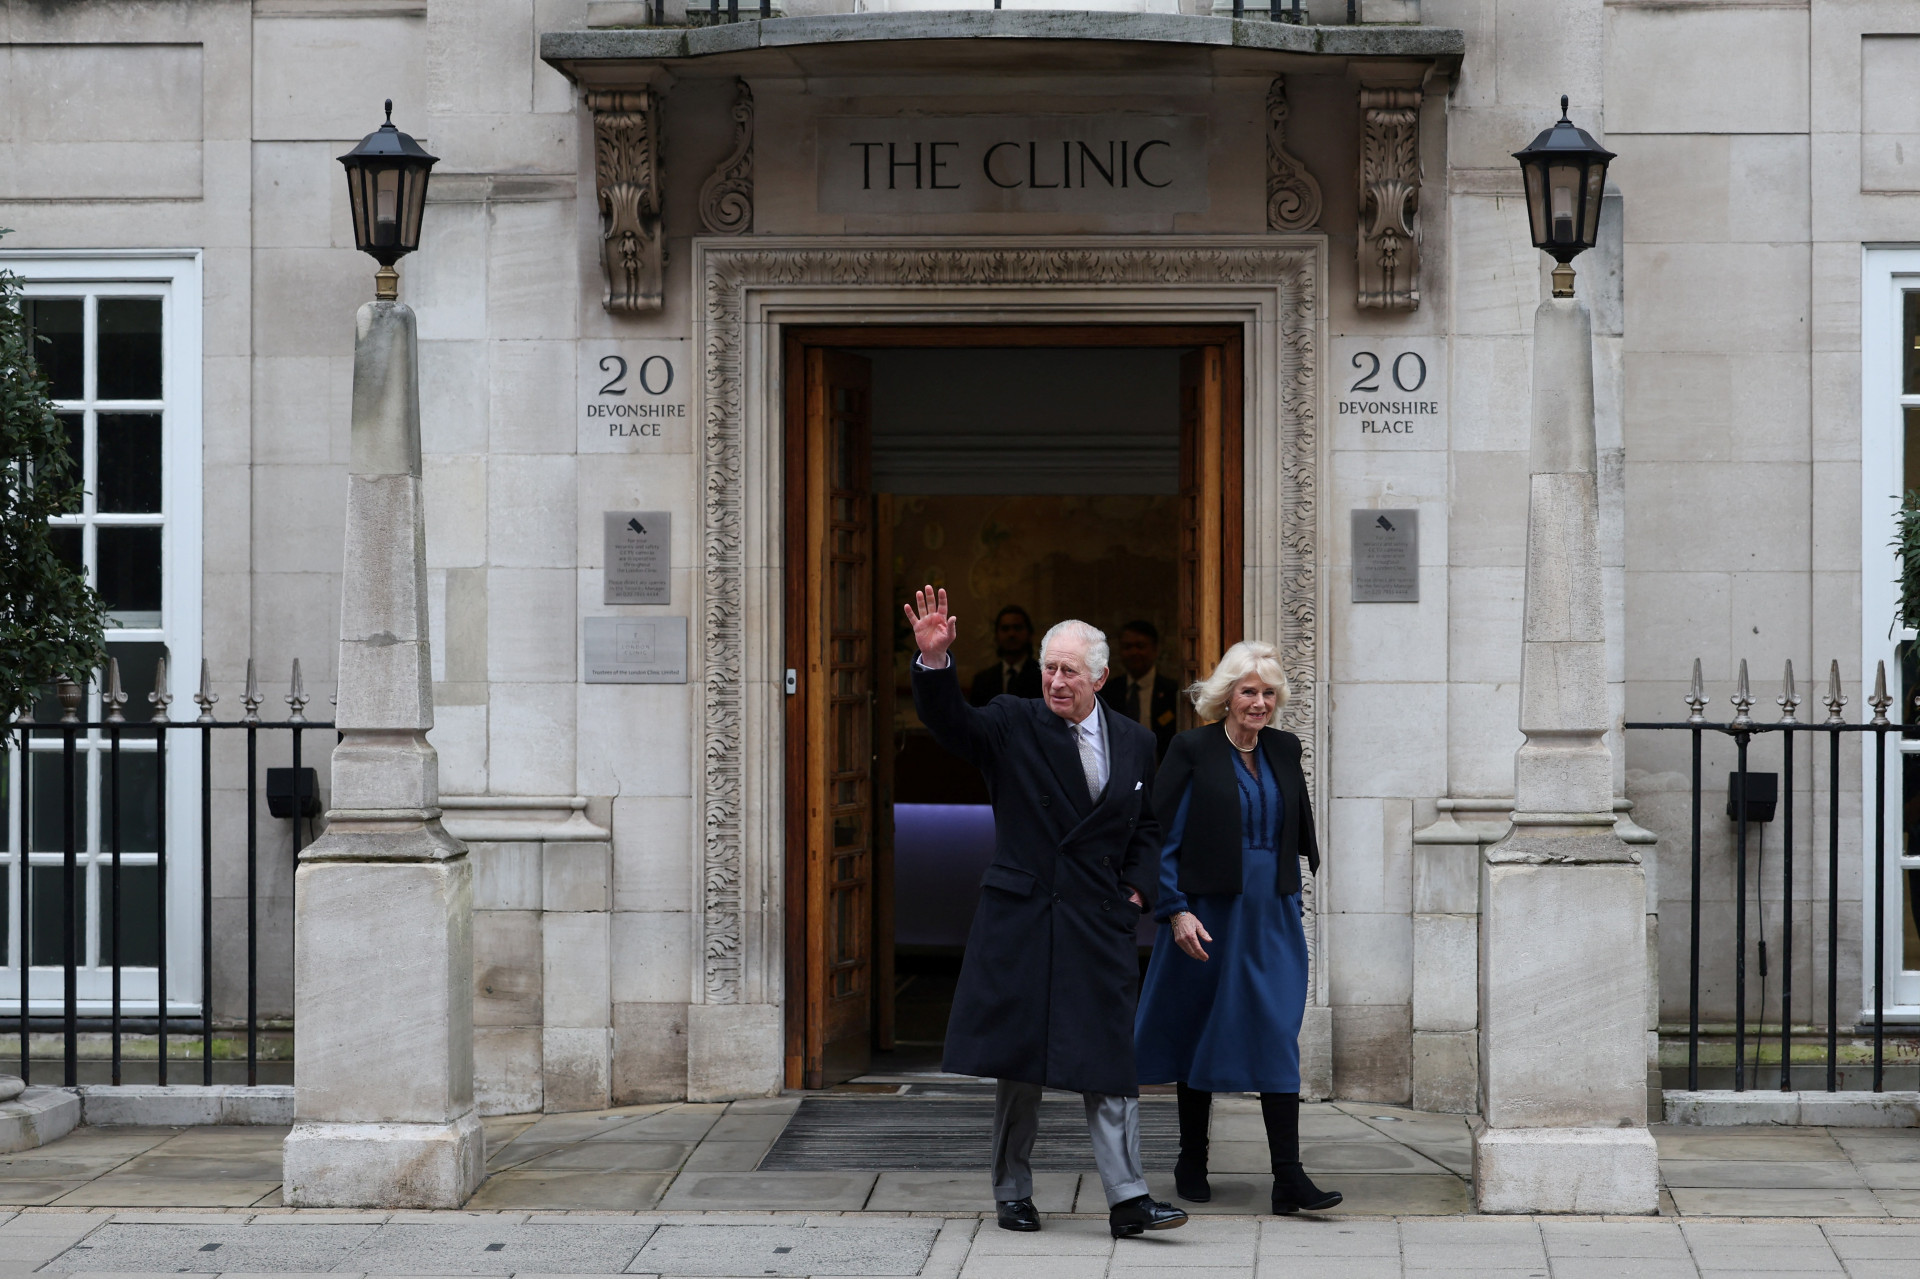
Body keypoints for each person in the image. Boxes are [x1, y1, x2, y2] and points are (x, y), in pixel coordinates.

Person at [904, 586, 1188, 1240]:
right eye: (1049, 668)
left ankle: (1129, 1198)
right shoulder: (1013, 721)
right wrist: (935, 664)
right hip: (1026, 915)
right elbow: (954, 725)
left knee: (1110, 1059)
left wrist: (1138, 892)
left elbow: (1148, 828)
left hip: (1098, 919)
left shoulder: (1137, 740)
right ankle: (1013, 1191)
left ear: (1101, 677)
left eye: (1069, 670)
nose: (1056, 681)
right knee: (1020, 1062)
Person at [1132, 640, 1340, 1215]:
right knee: (1198, 1027)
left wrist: (1292, 899)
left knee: (1276, 1031)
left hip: (1269, 912)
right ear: (1226, 696)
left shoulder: (1284, 748)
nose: (1259, 702)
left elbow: (1287, 833)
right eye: (1249, 691)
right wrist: (1174, 910)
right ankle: (1191, 1157)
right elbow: (1162, 837)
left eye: (1269, 692)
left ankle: (1288, 1176)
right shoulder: (1192, 749)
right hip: (1206, 912)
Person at [1098, 619, 1179, 761]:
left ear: (1155, 649)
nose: (1134, 652)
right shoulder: (1108, 691)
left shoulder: (1172, 692)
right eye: (1127, 647)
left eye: (1140, 646)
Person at [968, 604, 1042, 705]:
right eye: (1005, 628)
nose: (1011, 634)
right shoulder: (982, 681)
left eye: (1018, 628)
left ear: (1029, 633)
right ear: (996, 635)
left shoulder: (1043, 677)